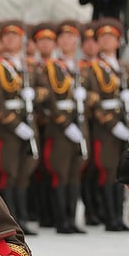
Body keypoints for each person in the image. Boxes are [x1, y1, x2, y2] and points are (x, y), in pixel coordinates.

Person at [0, 20, 40, 234]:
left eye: (15, 36)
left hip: (28, 126)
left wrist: (35, 93)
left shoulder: (28, 67)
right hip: (6, 130)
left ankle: (23, 218)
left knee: (23, 173)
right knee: (7, 172)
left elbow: (45, 92)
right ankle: (9, 220)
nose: (10, 40)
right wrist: (14, 124)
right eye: (6, 37)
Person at [35, 21, 88, 234]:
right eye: (63, 38)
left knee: (75, 173)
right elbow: (48, 100)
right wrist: (65, 124)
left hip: (80, 126)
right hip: (60, 129)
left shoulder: (81, 67)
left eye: (72, 37)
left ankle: (72, 218)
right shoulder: (50, 67)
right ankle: (60, 220)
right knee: (60, 173)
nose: (68, 41)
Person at [85, 18, 129, 232]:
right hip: (105, 129)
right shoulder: (92, 68)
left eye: (111, 37)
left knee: (122, 171)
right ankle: (109, 217)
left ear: (118, 41)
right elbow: (93, 100)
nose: (107, 41)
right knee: (108, 171)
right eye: (102, 38)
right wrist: (112, 124)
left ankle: (119, 216)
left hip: (124, 123)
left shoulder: (122, 67)